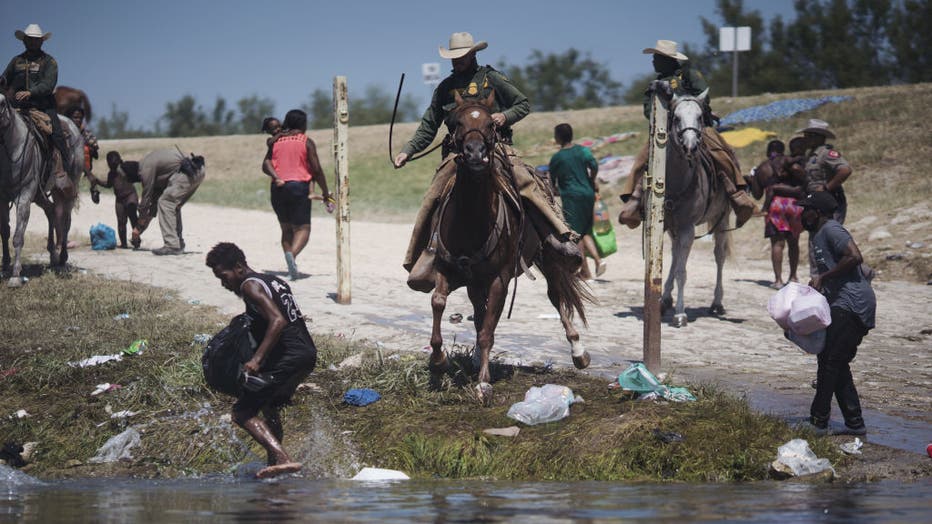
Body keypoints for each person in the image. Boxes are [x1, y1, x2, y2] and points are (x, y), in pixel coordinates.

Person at [393, 31, 580, 292]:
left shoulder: (491, 78)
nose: (456, 61)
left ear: (473, 55)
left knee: (525, 181)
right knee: (433, 194)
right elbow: (428, 126)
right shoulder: (445, 88)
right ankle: (420, 256)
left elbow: (522, 104)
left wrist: (504, 116)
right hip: (458, 154)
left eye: (461, 57)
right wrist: (407, 150)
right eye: (454, 57)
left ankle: (559, 238)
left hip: (496, 149)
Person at [206, 242, 317, 479]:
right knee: (268, 405)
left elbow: (278, 320)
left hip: (290, 357)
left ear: (238, 267)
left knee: (242, 412)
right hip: (307, 353)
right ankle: (275, 465)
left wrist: (256, 359)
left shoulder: (249, 286)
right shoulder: (272, 281)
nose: (224, 284)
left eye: (223, 276)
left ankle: (282, 458)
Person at [617, 39, 756, 229]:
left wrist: (683, 106)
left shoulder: (689, 74)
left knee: (720, 151)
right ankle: (634, 199)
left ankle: (737, 193)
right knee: (642, 159)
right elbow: (648, 111)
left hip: (695, 125)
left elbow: (703, 95)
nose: (653, 62)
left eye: (657, 57)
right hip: (664, 130)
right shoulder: (655, 84)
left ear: (668, 59)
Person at [799, 191, 874, 436]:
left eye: (806, 209)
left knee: (830, 361)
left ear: (817, 212)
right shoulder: (818, 234)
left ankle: (818, 422)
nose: (802, 214)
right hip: (840, 304)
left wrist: (824, 277)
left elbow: (855, 257)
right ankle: (855, 423)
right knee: (836, 361)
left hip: (852, 304)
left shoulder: (832, 229)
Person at [262, 109, 334, 280]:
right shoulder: (306, 141)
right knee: (303, 228)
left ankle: (289, 259)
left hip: (277, 188)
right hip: (298, 187)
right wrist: (325, 191)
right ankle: (292, 257)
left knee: (286, 229)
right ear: (303, 124)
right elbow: (316, 169)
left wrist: (277, 177)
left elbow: (265, 165)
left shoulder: (276, 142)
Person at [0, 24, 71, 168]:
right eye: (29, 39)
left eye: (35, 39)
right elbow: (5, 78)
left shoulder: (49, 61)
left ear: (41, 41)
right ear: (24, 40)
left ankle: (64, 169)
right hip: (18, 105)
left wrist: (31, 92)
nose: (32, 42)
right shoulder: (16, 61)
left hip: (44, 106)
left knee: (57, 134)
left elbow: (49, 84)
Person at [548, 123, 605, 281]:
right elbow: (593, 165)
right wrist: (592, 181)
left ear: (558, 137)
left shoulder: (557, 158)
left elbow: (551, 182)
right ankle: (599, 261)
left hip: (572, 198)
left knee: (576, 235)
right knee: (585, 232)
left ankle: (585, 272)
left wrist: (556, 192)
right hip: (588, 194)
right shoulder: (582, 150)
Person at [130, 148, 206, 255]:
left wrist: (139, 224)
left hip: (188, 171)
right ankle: (178, 243)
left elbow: (146, 198)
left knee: (166, 202)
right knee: (174, 205)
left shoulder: (145, 168)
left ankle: (171, 245)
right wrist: (140, 229)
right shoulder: (158, 171)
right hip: (198, 170)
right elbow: (154, 206)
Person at [757, 139, 806, 288]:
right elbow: (803, 180)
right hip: (794, 204)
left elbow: (757, 193)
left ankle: (778, 280)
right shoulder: (790, 163)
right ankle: (793, 277)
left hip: (775, 205)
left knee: (777, 244)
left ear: (768, 151)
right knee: (793, 242)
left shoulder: (762, 167)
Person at [796, 119, 851, 224]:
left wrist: (827, 187)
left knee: (830, 230)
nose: (804, 139)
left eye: (807, 136)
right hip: (815, 200)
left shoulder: (826, 154)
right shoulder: (811, 155)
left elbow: (845, 170)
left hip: (830, 198)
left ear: (817, 137)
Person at [89, 151, 141, 249]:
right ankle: (124, 244)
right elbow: (109, 185)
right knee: (121, 222)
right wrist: (98, 181)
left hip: (130, 196)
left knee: (133, 219)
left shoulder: (124, 169)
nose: (111, 164)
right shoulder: (111, 174)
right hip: (119, 200)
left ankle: (136, 240)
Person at [64, 106, 101, 203]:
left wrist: (89, 146)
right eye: (75, 117)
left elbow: (95, 151)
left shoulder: (86, 133)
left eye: (80, 118)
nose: (78, 120)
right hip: (68, 163)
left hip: (84, 164)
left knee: (84, 149)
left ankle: (92, 186)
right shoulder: (65, 133)